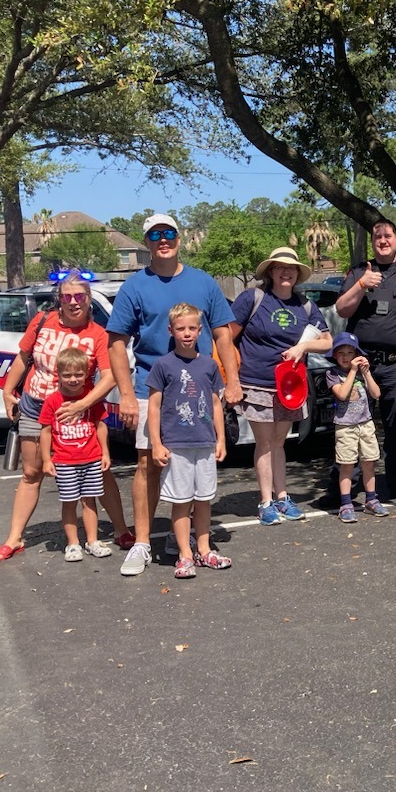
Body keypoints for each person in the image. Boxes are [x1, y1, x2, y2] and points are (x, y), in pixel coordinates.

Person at [107, 214, 240, 577]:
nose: (162, 240)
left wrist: (232, 381)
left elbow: (224, 335)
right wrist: (126, 395)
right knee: (149, 463)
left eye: (168, 234)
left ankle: (188, 541)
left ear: (179, 239)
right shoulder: (134, 286)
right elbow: (116, 344)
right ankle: (143, 542)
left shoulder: (203, 282)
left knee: (197, 467)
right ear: (147, 242)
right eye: (154, 235)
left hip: (198, 391)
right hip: (152, 388)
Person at [0, 272, 133, 562]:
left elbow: (110, 377)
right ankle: (14, 538)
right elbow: (22, 357)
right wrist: (7, 390)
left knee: (98, 471)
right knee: (32, 472)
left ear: (88, 299)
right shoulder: (43, 321)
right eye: (67, 296)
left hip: (81, 415)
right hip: (36, 405)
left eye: (79, 296)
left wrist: (83, 405)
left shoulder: (98, 334)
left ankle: (120, 530)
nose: (73, 302)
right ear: (60, 299)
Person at [230, 246, 332, 525]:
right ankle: (265, 502)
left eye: (291, 268)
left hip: (291, 386)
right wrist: (230, 378)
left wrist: (304, 347)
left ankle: (283, 497)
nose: (286, 272)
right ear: (270, 272)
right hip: (258, 382)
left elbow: (327, 342)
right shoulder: (253, 298)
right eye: (279, 267)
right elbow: (227, 337)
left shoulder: (305, 305)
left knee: (279, 442)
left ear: (297, 274)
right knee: (263, 442)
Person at [335, 219, 396, 502]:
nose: (382, 240)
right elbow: (342, 309)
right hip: (359, 364)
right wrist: (361, 285)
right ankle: (343, 489)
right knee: (350, 425)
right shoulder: (361, 271)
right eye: (377, 237)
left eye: (387, 236)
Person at [147, 304, 230, 580]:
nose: (186, 333)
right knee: (181, 501)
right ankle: (184, 554)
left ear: (199, 330)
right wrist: (157, 443)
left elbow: (216, 403)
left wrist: (220, 439)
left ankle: (204, 550)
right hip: (177, 445)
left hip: (204, 442)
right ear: (171, 330)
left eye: (192, 328)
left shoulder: (208, 364)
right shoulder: (163, 365)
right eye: (180, 328)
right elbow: (154, 406)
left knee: (204, 499)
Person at [38, 346, 112, 562]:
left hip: (91, 459)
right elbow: (46, 430)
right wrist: (46, 459)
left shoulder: (91, 399)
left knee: (90, 501)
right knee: (69, 502)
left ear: (87, 374)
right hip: (64, 461)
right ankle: (72, 544)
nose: (73, 379)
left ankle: (92, 541)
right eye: (67, 375)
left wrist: (105, 453)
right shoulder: (53, 401)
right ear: (58, 375)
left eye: (78, 374)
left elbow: (100, 426)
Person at [327, 331, 391, 523]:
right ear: (335, 355)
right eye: (341, 353)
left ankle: (371, 498)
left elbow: (376, 393)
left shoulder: (362, 374)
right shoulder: (333, 374)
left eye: (350, 353)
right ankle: (345, 503)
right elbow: (342, 393)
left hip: (366, 423)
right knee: (347, 465)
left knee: (369, 462)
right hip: (346, 426)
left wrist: (366, 373)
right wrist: (353, 372)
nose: (346, 357)